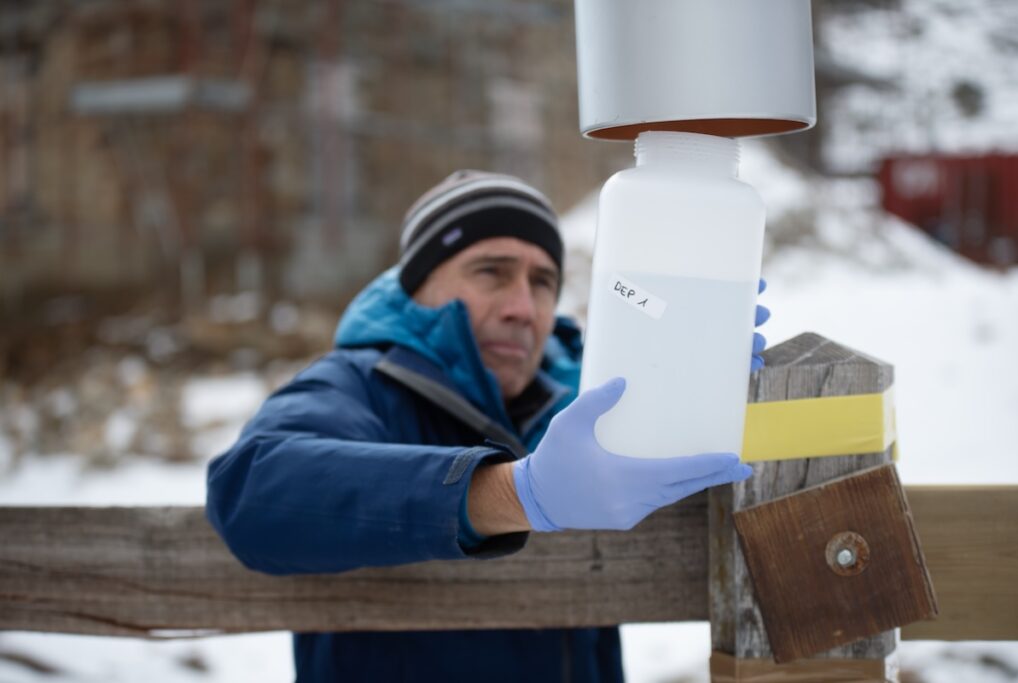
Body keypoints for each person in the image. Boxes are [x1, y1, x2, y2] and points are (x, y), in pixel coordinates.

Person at [206, 170, 766, 682]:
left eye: (542, 281)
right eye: (491, 272)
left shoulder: (591, 407)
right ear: (417, 287)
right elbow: (250, 488)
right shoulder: (359, 383)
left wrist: (684, 388)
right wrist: (511, 494)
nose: (523, 307)